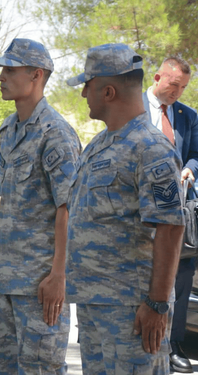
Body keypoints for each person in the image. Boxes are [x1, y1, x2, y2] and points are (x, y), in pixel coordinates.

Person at [66, 43, 185, 375]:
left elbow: (171, 226)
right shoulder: (99, 145)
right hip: (95, 303)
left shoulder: (151, 148)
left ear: (107, 91)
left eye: (87, 86)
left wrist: (158, 303)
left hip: (132, 309)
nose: (83, 95)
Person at [0, 38, 81, 375]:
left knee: (42, 369)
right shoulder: (8, 130)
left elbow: (68, 209)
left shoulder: (57, 134)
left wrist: (58, 274)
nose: (0, 77)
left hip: (41, 284)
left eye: (9, 70)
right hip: (8, 279)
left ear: (36, 75)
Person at [142, 56, 198, 374]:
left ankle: (172, 344)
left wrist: (190, 170)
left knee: (180, 275)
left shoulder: (188, 116)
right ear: (158, 77)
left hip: (178, 211)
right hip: (140, 211)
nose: (178, 92)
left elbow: (196, 154)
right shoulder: (131, 106)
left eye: (184, 88)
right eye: (174, 85)